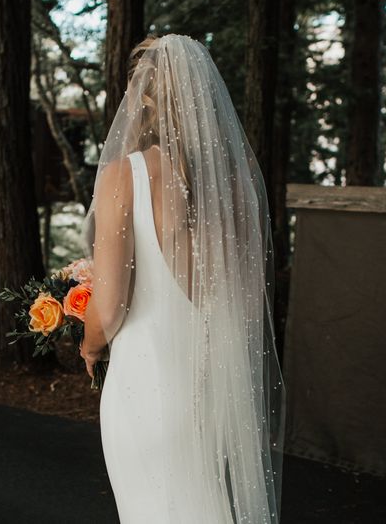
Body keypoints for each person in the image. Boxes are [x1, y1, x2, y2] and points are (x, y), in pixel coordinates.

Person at [80, 34, 285, 523]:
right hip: (217, 386)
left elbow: (109, 309)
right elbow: (247, 300)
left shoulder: (124, 176)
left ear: (143, 99)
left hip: (146, 386)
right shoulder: (240, 179)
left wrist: (88, 344)